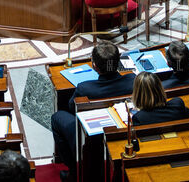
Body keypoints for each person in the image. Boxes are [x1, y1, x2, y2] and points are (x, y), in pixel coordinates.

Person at [51, 41, 135, 179]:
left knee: (57, 117)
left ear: (94, 66)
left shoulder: (85, 88)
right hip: (123, 130)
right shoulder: (132, 79)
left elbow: (72, 108)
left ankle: (74, 170)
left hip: (93, 135)